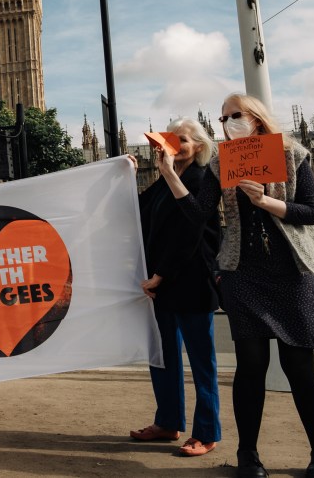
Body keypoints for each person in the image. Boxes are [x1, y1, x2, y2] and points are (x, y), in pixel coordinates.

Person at [175, 94, 314, 478]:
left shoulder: (293, 154)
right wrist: (168, 173)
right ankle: (248, 455)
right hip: (243, 272)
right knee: (251, 366)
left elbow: (311, 213)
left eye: (235, 115)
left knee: (299, 366)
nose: (228, 122)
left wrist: (265, 201)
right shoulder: (221, 162)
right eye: (223, 117)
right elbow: (198, 212)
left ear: (256, 118)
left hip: (291, 271)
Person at [128, 118, 222, 457]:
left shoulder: (202, 179)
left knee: (201, 363)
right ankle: (168, 421)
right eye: (170, 138)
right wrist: (125, 172)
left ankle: (207, 433)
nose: (172, 144)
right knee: (162, 357)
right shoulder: (165, 183)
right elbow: (136, 209)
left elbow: (191, 234)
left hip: (190, 281)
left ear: (197, 147)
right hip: (160, 284)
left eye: (180, 139)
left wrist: (161, 274)